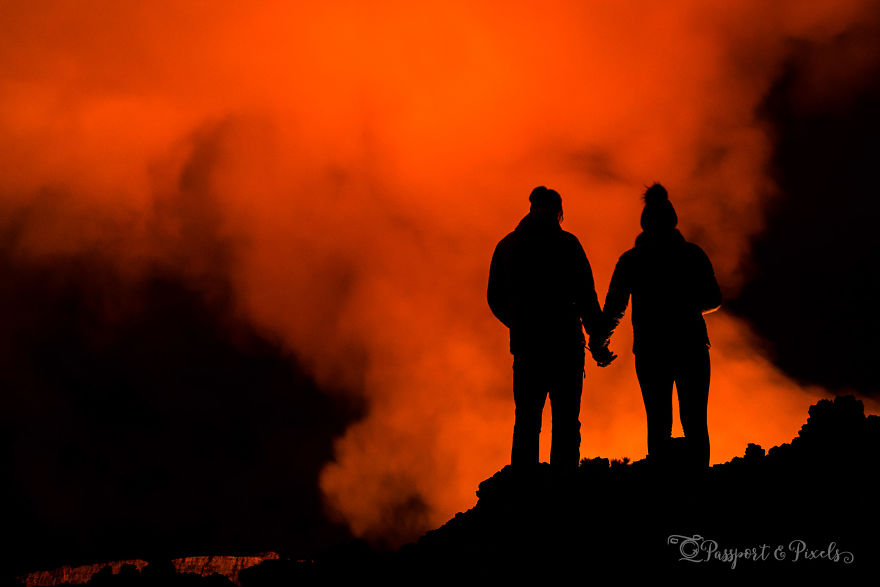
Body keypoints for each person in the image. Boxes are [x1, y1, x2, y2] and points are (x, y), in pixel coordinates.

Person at [488, 186, 615, 475]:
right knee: (567, 420)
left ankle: (523, 491)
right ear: (559, 212)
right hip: (565, 347)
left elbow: (494, 297)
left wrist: (519, 321)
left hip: (527, 347)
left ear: (531, 208)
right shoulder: (568, 244)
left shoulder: (507, 246)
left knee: (527, 421)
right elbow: (586, 296)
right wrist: (598, 342)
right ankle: (564, 490)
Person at [599, 183, 721, 470]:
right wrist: (687, 306)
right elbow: (714, 298)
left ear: (645, 224)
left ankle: (662, 492)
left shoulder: (631, 260)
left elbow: (614, 308)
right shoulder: (693, 254)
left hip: (651, 351)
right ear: (672, 220)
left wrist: (599, 342)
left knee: (658, 423)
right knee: (695, 422)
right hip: (691, 347)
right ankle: (700, 487)